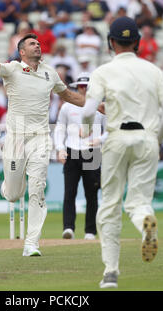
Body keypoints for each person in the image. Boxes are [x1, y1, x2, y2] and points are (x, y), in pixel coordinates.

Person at [0, 27, 85, 256]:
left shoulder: (49, 72)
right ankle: (9, 187)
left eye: (39, 43)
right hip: (15, 138)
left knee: (37, 189)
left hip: (41, 138)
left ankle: (31, 243)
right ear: (22, 52)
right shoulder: (12, 69)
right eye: (32, 44)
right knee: (13, 194)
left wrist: (96, 105)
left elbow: (69, 96)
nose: (38, 46)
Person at [81, 17, 163, 288]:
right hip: (146, 139)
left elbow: (88, 110)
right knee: (138, 202)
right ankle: (145, 222)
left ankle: (111, 272)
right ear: (137, 42)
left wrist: (88, 131)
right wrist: (156, 138)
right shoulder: (153, 70)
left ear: (111, 42)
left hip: (117, 138)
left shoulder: (103, 71)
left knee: (110, 206)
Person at [54, 72, 107, 241]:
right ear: (77, 87)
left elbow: (111, 128)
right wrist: (60, 148)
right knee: (70, 192)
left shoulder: (100, 107)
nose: (83, 89)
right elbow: (60, 129)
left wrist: (100, 140)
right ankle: (68, 227)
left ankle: (90, 231)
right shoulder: (67, 107)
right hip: (72, 151)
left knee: (91, 193)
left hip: (92, 152)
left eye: (87, 86)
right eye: (81, 86)